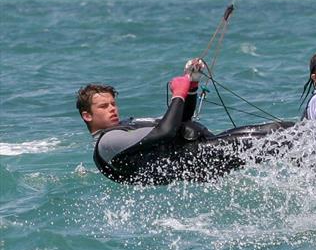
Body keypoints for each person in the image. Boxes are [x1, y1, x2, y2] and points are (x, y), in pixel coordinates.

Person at [77, 59, 292, 185]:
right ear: (87, 116)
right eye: (104, 107)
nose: (112, 109)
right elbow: (166, 132)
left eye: (113, 104)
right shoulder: (108, 142)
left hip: (205, 150)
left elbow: (182, 119)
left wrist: (192, 85)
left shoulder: (125, 126)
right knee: (278, 136)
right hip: (201, 162)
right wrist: (178, 95)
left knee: (278, 130)